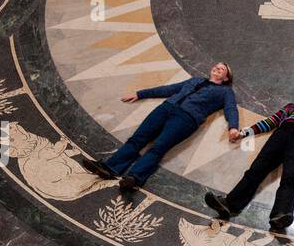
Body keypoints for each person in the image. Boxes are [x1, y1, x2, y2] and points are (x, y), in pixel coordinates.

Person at [78, 62, 240, 191]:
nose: (217, 68)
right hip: (166, 108)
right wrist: (141, 94)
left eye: (222, 69)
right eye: (216, 66)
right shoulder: (195, 80)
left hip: (186, 119)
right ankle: (110, 167)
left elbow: (230, 108)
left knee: (159, 147)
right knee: (138, 138)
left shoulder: (225, 92)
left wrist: (233, 127)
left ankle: (135, 178)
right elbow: (169, 89)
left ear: (226, 78)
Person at [205, 86, 294, 231]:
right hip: (281, 134)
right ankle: (229, 204)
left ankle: (281, 215)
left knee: (289, 177)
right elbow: (271, 121)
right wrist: (244, 133)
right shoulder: (292, 106)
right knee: (256, 170)